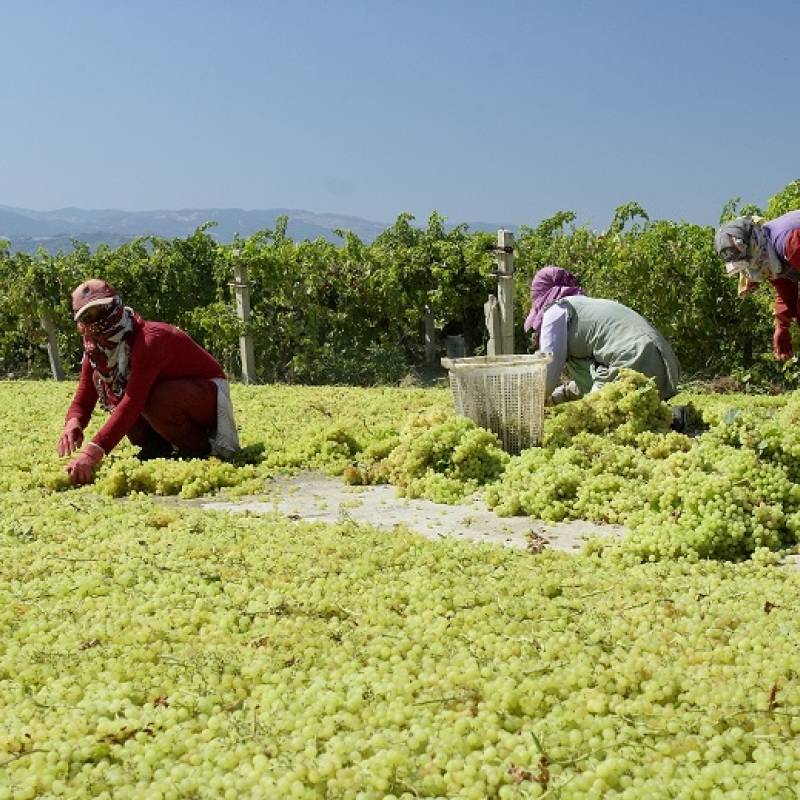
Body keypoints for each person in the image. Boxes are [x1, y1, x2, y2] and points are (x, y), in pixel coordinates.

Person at [57, 279, 240, 485]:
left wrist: (91, 454)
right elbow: (84, 394)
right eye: (88, 316)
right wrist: (74, 422)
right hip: (166, 399)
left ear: (115, 306)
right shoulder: (97, 350)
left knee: (152, 398)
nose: (97, 319)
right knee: (106, 383)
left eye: (102, 310)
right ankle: (156, 448)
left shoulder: (150, 339)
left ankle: (198, 448)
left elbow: (133, 401)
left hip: (205, 397)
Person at [524, 266, 682, 407]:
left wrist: (527, 406)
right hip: (664, 366)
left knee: (596, 418)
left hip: (634, 358)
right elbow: (592, 374)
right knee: (638, 413)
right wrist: (559, 396)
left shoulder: (556, 311)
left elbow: (547, 371)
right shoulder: (586, 308)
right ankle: (673, 418)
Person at [714, 210, 800, 362]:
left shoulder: (790, 243)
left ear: (753, 245)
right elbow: (785, 290)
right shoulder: (769, 258)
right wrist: (782, 327)